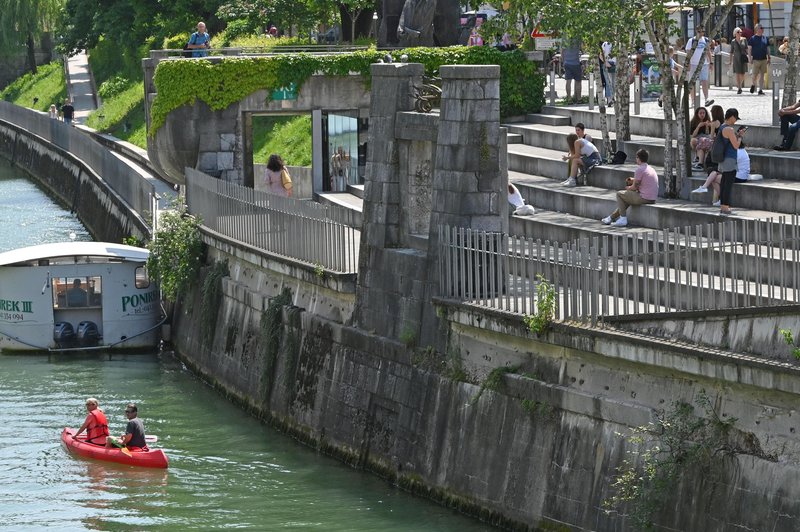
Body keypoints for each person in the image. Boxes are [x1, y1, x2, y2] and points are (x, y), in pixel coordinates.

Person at [601, 149, 658, 227]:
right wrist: (633, 181)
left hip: (644, 197)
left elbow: (634, 187)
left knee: (620, 194)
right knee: (626, 198)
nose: (636, 159)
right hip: (652, 198)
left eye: (636, 157)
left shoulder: (640, 169)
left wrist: (628, 188)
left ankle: (623, 218)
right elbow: (644, 182)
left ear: (638, 158)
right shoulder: (650, 168)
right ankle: (611, 218)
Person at [718, 108, 745, 215]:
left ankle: (723, 205)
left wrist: (737, 136)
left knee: (724, 182)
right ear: (732, 116)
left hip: (724, 158)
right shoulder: (729, 129)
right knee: (727, 184)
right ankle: (725, 206)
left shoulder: (722, 127)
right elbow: (736, 145)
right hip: (729, 159)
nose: (735, 121)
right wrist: (740, 137)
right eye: (735, 118)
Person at [686, 27, 714, 107]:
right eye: (699, 31)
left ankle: (706, 99)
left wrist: (710, 62)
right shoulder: (691, 40)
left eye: (703, 31)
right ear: (696, 31)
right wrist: (688, 63)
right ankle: (693, 100)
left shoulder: (706, 40)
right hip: (694, 64)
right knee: (692, 83)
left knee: (704, 81)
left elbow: (708, 51)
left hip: (704, 64)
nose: (701, 33)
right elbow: (688, 52)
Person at [748, 24, 770, 95]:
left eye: (763, 28)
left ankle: (760, 90)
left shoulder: (765, 38)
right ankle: (753, 84)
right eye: (761, 28)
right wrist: (749, 58)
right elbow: (749, 49)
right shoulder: (752, 38)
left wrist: (769, 57)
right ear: (757, 29)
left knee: (762, 75)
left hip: (763, 59)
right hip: (755, 59)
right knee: (754, 75)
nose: (762, 29)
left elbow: (767, 48)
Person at [729, 28, 749, 94]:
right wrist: (730, 60)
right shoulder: (733, 41)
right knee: (737, 73)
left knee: (743, 73)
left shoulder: (744, 39)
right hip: (736, 58)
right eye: (738, 32)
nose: (740, 33)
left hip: (743, 57)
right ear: (735, 33)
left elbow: (747, 48)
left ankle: (739, 84)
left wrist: (749, 56)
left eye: (740, 32)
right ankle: (739, 88)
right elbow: (731, 52)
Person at [563, 38, 583, 104]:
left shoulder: (565, 39)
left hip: (567, 63)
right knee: (578, 81)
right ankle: (579, 99)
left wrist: (563, 61)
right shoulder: (578, 38)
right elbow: (582, 47)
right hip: (576, 63)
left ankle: (569, 99)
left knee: (568, 81)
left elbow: (562, 51)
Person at [600, 41, 615, 106]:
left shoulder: (618, 43)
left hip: (616, 64)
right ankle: (609, 100)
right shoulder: (605, 44)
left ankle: (613, 98)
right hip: (607, 63)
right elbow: (601, 55)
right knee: (608, 83)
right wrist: (605, 62)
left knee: (614, 82)